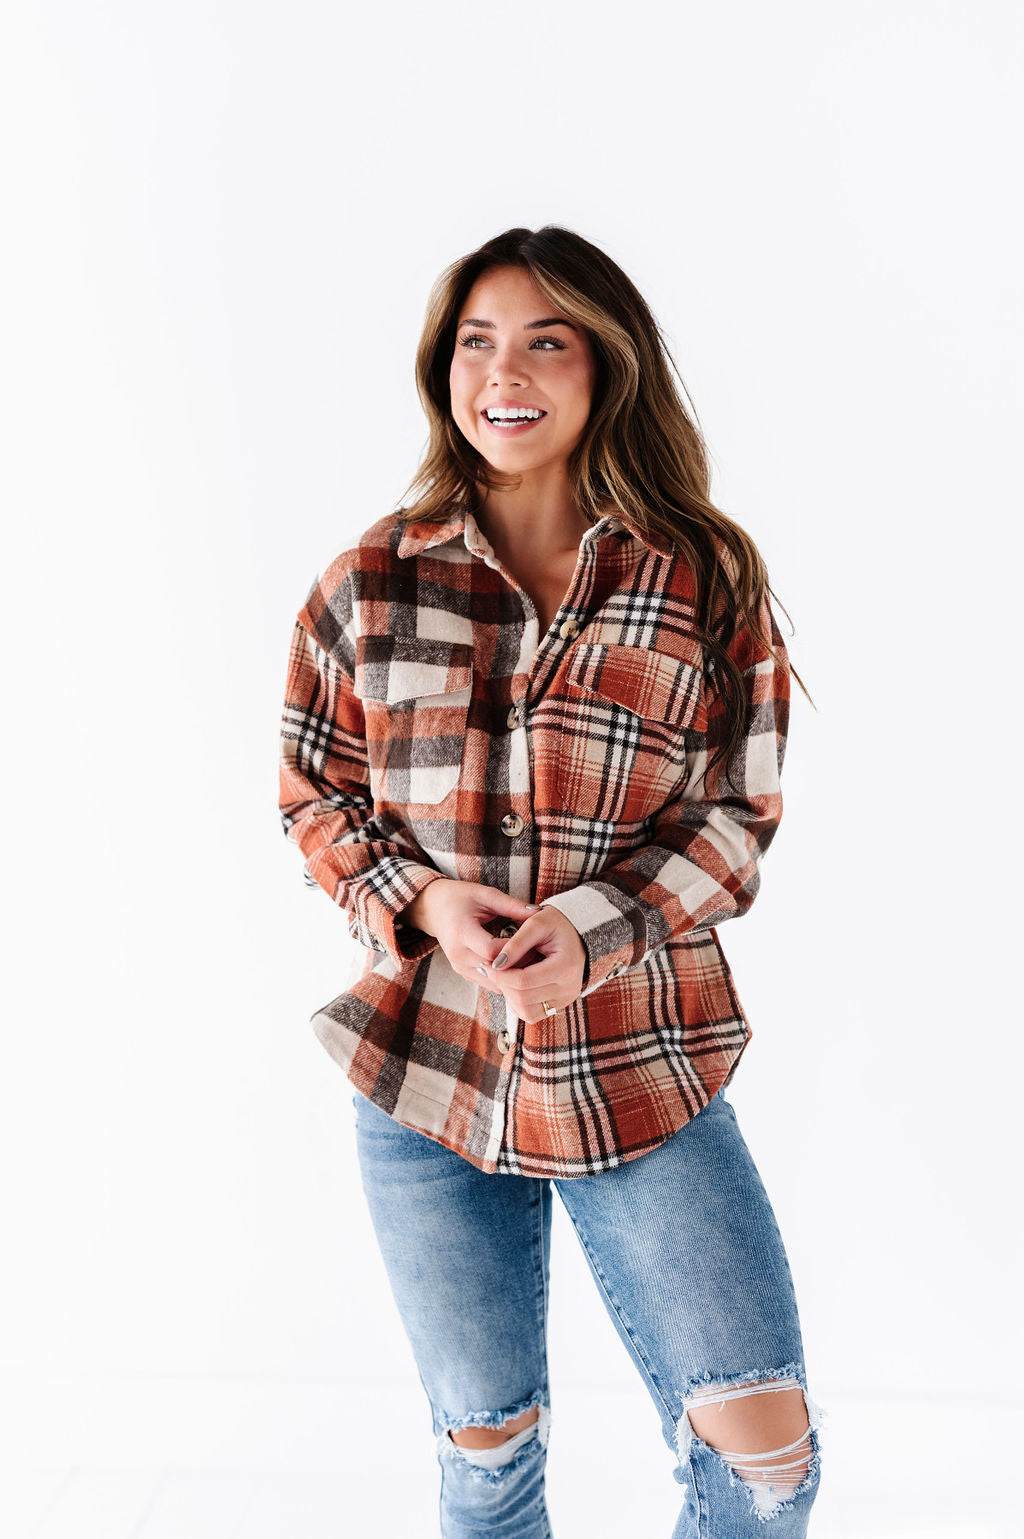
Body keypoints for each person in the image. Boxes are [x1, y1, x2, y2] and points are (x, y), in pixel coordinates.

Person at [278, 224, 825, 1537]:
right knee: (486, 1463)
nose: (503, 373)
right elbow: (316, 793)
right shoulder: (369, 580)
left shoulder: (703, 577)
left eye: (546, 340)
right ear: (442, 369)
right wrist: (420, 901)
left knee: (766, 1466)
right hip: (428, 1068)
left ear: (605, 367)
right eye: (476, 342)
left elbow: (738, 816)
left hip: (640, 1058)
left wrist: (591, 929)